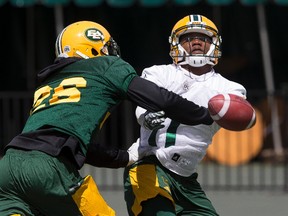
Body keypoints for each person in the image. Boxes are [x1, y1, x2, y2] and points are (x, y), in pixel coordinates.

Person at [0, 20, 214, 216]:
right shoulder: (105, 67)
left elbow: (74, 144)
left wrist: (124, 157)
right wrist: (205, 115)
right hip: (48, 168)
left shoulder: (48, 85)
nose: (109, 52)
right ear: (93, 45)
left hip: (7, 168)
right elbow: (161, 99)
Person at [123, 14, 253, 216]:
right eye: (188, 38)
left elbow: (240, 116)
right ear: (176, 44)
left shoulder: (230, 89)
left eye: (204, 38)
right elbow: (144, 103)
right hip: (150, 166)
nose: (196, 42)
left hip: (186, 177)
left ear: (215, 44)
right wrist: (145, 117)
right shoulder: (159, 73)